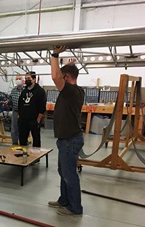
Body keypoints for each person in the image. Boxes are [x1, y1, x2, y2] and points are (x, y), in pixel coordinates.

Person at [48, 46, 85, 216]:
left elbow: (56, 76)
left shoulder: (71, 91)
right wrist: (68, 64)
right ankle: (64, 200)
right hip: (66, 139)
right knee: (63, 172)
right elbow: (62, 74)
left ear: (67, 77)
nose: (58, 81)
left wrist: (55, 55)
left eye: (63, 77)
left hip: (70, 140)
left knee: (69, 175)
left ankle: (75, 208)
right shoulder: (75, 91)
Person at [18, 71, 46, 147]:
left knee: (36, 140)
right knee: (22, 140)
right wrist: (20, 117)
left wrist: (38, 120)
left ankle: (36, 158)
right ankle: (23, 156)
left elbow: (42, 107)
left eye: (29, 78)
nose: (27, 80)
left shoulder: (40, 91)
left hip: (34, 120)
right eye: (26, 78)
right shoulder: (24, 91)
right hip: (23, 120)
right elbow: (20, 105)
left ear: (34, 79)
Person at [6, 74, 24, 145]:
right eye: (17, 79)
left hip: (23, 113)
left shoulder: (25, 90)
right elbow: (10, 99)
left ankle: (23, 143)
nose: (18, 80)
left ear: (22, 80)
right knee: (14, 129)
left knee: (22, 129)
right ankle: (15, 143)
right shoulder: (13, 90)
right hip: (15, 111)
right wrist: (7, 101)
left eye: (19, 78)